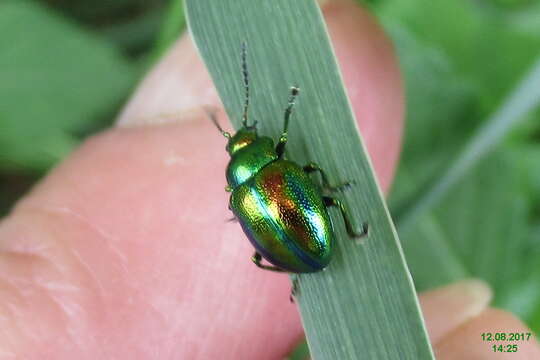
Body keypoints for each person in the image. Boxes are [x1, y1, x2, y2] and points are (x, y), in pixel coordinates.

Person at [1, 0, 538, 358]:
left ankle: (335, 236)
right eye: (243, 135)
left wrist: (291, 258)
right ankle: (348, 229)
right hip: (302, 234)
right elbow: (295, 172)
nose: (247, 132)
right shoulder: (269, 168)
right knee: (321, 188)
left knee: (304, 207)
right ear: (253, 152)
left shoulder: (243, 190)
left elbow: (262, 244)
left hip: (292, 250)